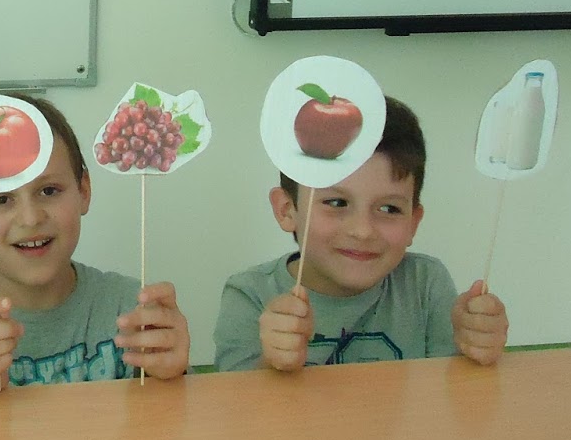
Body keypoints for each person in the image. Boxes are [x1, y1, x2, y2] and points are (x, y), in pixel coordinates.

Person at [0, 94, 191, 393]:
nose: (30, 218)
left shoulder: (133, 309)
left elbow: (172, 419)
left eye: (49, 191)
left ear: (83, 191)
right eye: (2, 200)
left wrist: (169, 374)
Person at [212, 96, 509, 372]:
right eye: (336, 203)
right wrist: (270, 363)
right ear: (287, 210)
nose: (363, 231)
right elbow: (235, 407)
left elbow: (455, 397)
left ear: (413, 222)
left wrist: (473, 348)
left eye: (389, 209)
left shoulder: (425, 284)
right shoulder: (250, 295)